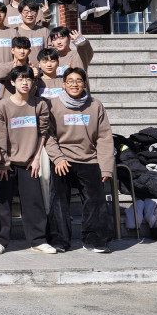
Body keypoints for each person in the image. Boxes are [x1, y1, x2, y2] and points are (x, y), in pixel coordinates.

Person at [43, 68, 114, 253]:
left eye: (79, 80)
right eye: (70, 81)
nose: (74, 84)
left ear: (84, 84)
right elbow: (48, 135)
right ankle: (59, 240)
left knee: (96, 198)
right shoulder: (53, 105)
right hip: (63, 158)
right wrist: (57, 158)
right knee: (58, 198)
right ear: (63, 84)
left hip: (89, 159)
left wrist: (106, 167)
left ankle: (95, 240)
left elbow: (104, 137)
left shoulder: (95, 105)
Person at [0, 65, 55, 255]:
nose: (25, 83)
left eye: (28, 79)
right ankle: (1, 239)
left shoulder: (39, 104)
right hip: (7, 163)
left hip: (29, 162)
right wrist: (3, 162)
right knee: (3, 203)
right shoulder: (3, 105)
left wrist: (36, 158)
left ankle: (38, 240)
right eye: (20, 79)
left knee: (34, 202)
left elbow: (43, 133)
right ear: (13, 82)